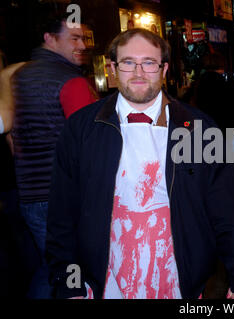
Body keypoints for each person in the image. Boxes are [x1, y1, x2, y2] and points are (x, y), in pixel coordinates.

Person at [46, 28, 234, 299]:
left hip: (180, 283)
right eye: (129, 62)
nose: (139, 72)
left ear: (164, 69)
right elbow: (63, 213)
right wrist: (68, 284)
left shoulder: (198, 130)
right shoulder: (82, 128)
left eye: (149, 63)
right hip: (104, 284)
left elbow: (225, 209)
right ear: (113, 68)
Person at [11, 13, 98, 298]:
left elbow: (12, 134)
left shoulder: (18, 75)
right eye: (74, 38)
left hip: (29, 193)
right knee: (70, 272)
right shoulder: (70, 81)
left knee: (52, 268)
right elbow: (90, 145)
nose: (83, 46)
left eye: (83, 38)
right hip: (64, 197)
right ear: (50, 39)